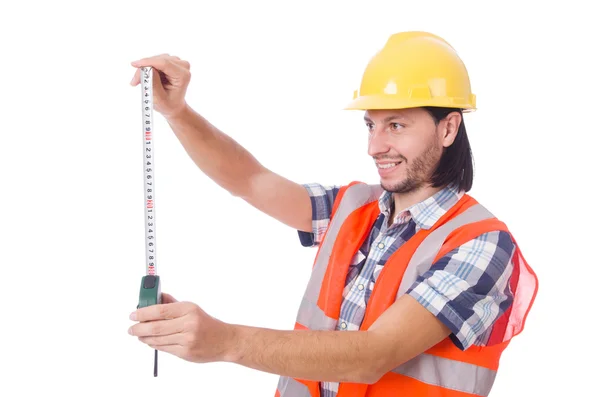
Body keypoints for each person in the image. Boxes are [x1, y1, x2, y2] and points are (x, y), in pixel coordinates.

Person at [127, 31, 538, 397]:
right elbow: (250, 180)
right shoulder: (353, 206)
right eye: (370, 126)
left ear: (448, 129)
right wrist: (177, 113)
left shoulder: (482, 242)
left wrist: (224, 341)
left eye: (396, 126)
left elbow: (375, 354)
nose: (375, 147)